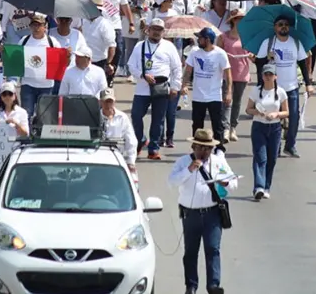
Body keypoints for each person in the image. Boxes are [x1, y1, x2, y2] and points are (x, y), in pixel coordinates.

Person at [167, 128, 236, 294]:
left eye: (208, 149)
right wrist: (189, 170)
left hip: (212, 212)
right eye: (200, 148)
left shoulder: (218, 162)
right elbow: (171, 182)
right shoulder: (183, 162)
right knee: (191, 251)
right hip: (190, 214)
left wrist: (226, 183)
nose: (204, 152)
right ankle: (191, 285)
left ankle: (213, 285)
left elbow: (233, 182)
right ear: (193, 147)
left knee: (212, 249)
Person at [253, 14, 309, 157]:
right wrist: (267, 58)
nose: (283, 27)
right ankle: (275, 146)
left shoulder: (296, 43)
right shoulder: (268, 43)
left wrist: (308, 84)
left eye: (286, 24)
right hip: (273, 88)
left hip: (292, 86)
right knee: (274, 118)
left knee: (294, 117)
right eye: (280, 24)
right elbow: (259, 63)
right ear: (275, 27)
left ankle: (290, 145)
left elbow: (303, 63)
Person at [127, 17, 182, 161]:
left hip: (161, 87)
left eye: (159, 30)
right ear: (148, 30)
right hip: (142, 88)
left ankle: (153, 148)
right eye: (154, 29)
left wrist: (175, 87)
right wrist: (142, 75)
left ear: (163, 32)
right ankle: (141, 139)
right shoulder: (140, 46)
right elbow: (131, 65)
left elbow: (177, 68)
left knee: (158, 119)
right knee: (136, 115)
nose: (156, 32)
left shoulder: (169, 47)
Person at [246, 63, 288, 200]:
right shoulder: (256, 91)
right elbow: (248, 109)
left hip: (275, 128)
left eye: (271, 74)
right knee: (260, 157)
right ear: (262, 76)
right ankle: (258, 187)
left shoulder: (280, 92)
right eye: (266, 74)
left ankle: (266, 187)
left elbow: (286, 112)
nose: (268, 77)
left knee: (272, 158)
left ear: (275, 76)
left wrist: (276, 114)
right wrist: (257, 112)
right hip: (259, 126)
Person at [184, 28, 232, 146]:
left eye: (200, 38)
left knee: (217, 126)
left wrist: (229, 92)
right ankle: (197, 148)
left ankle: (219, 149)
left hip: (214, 96)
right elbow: (188, 71)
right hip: (198, 96)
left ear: (207, 40)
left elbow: (228, 74)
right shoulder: (194, 52)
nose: (198, 40)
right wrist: (184, 85)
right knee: (197, 125)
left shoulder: (220, 53)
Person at [217, 9, 251, 141]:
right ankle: (225, 128)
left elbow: (253, 55)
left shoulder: (247, 36)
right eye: (238, 18)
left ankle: (233, 128)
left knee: (237, 102)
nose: (240, 21)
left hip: (242, 73)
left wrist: (252, 55)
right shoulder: (223, 36)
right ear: (233, 21)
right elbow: (217, 53)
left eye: (242, 19)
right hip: (227, 73)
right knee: (227, 101)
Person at [99, 88, 138, 178]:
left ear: (114, 101)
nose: (108, 104)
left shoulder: (122, 118)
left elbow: (131, 140)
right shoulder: (95, 117)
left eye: (110, 101)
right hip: (100, 155)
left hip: (117, 155)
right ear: (100, 102)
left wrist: (131, 161)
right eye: (105, 101)